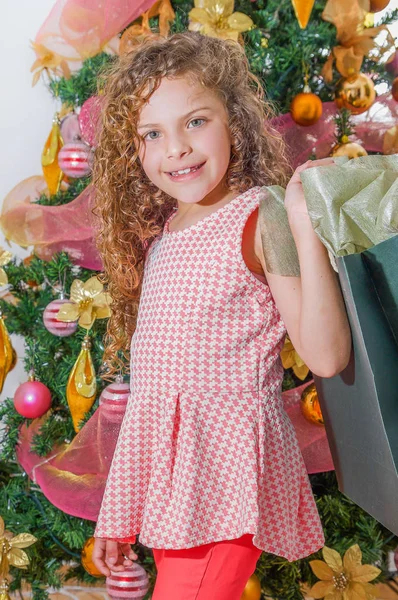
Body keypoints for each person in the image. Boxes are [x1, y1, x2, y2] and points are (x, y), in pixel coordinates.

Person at [90, 30, 352, 600]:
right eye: (152, 133)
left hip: (226, 481)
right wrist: (121, 509)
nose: (176, 148)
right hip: (174, 488)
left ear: (234, 120)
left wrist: (305, 229)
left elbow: (326, 356)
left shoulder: (261, 217)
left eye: (195, 122)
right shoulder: (165, 239)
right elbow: (156, 397)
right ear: (135, 150)